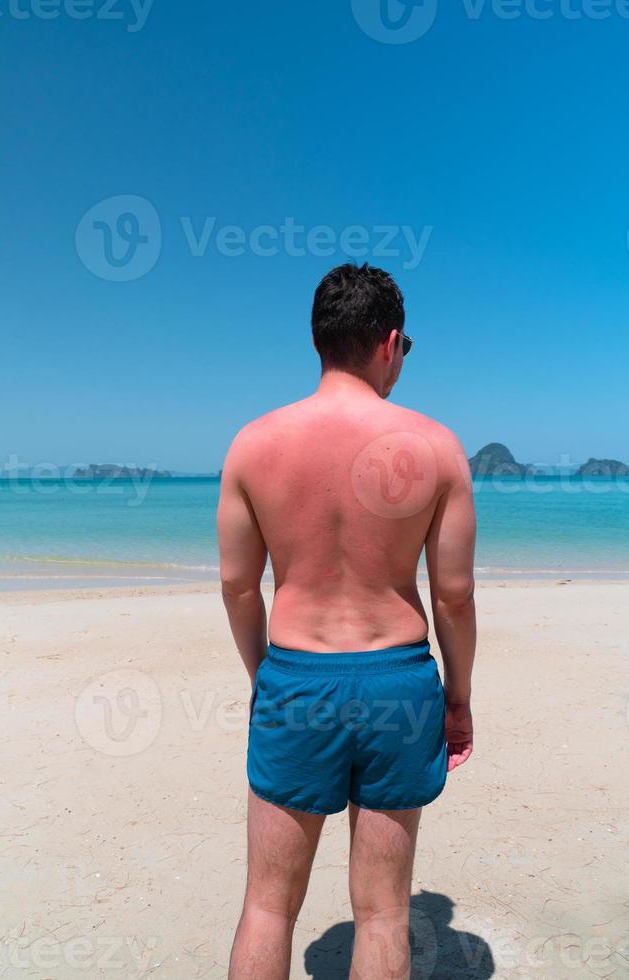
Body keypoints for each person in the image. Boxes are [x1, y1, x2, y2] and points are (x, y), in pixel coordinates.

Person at [217, 263, 476, 980]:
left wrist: (265, 678)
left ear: (318, 341)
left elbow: (239, 587)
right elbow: (453, 597)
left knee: (268, 907)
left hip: (296, 677)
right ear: (390, 343)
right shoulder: (436, 447)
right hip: (397, 680)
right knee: (385, 912)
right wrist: (456, 699)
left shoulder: (253, 444)